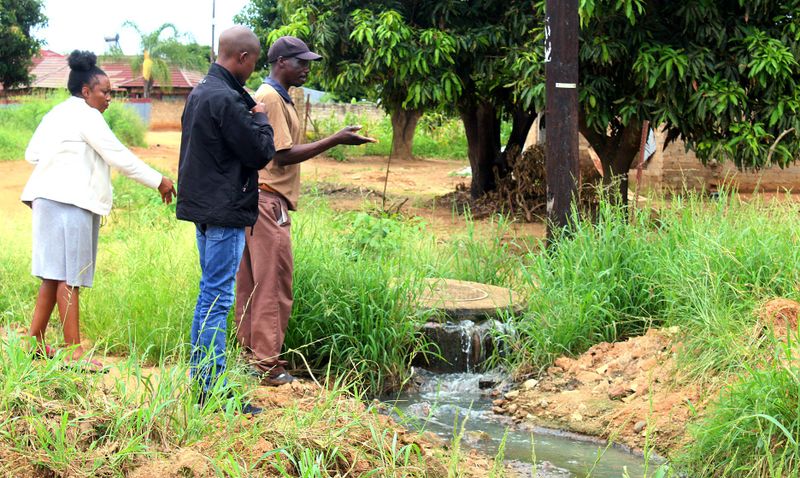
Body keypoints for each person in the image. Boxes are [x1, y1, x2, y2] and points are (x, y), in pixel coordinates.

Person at [20, 50, 176, 369]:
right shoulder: (88, 116)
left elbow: (32, 154)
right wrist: (158, 180)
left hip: (45, 200)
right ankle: (74, 351)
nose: (109, 98)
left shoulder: (56, 114)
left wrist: (64, 157)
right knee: (70, 277)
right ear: (86, 91)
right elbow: (118, 156)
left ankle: (34, 342)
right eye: (105, 91)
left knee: (52, 275)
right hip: (71, 203)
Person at [235, 36, 376, 386]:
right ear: (281, 62)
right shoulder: (270, 97)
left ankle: (250, 358)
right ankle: (267, 364)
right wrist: (335, 140)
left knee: (251, 284)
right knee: (273, 284)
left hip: (255, 199)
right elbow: (280, 154)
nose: (307, 69)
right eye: (301, 62)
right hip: (268, 202)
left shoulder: (274, 96)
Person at [176, 26, 275, 405]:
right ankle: (213, 389)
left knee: (210, 296)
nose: (252, 71)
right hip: (223, 214)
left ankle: (204, 383)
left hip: (205, 211)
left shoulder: (201, 92)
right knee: (216, 299)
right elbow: (260, 153)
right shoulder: (228, 101)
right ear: (243, 58)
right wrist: (262, 118)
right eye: (252, 63)